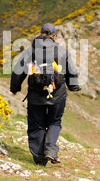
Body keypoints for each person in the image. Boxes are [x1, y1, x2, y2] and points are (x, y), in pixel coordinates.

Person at [10, 23, 81, 166]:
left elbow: (18, 71)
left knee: (37, 126)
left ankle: (39, 161)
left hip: (36, 96)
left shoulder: (31, 51)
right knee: (54, 122)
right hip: (57, 95)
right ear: (54, 36)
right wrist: (73, 86)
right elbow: (72, 70)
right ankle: (50, 150)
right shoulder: (62, 51)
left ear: (41, 34)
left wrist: (15, 88)